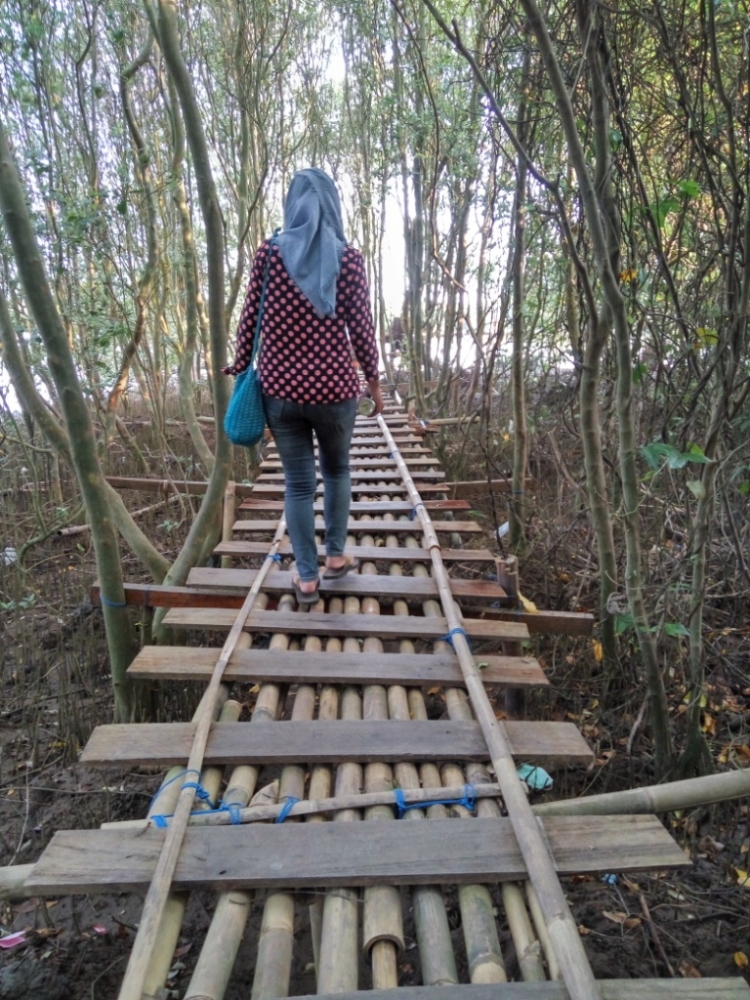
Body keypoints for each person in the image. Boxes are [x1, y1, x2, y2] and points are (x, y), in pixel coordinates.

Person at [223, 168, 383, 606]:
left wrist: (239, 366)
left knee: (297, 484)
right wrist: (373, 382)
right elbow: (363, 329)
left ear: (291, 205)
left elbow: (248, 320)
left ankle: (307, 579)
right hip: (336, 392)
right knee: (337, 471)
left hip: (281, 393)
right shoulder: (348, 259)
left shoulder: (268, 256)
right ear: (333, 204)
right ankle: (335, 558)